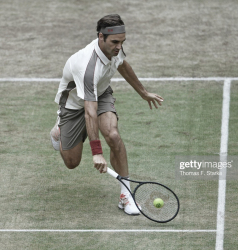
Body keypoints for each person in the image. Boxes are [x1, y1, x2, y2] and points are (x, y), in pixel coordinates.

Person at [50, 14, 163, 215]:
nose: (119, 46)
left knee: (113, 135)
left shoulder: (114, 49)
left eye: (122, 42)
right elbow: (89, 112)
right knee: (72, 162)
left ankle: (126, 196)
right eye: (115, 42)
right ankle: (59, 129)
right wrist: (96, 153)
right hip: (73, 105)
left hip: (100, 94)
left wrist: (143, 92)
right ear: (101, 37)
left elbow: (123, 65)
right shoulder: (87, 66)